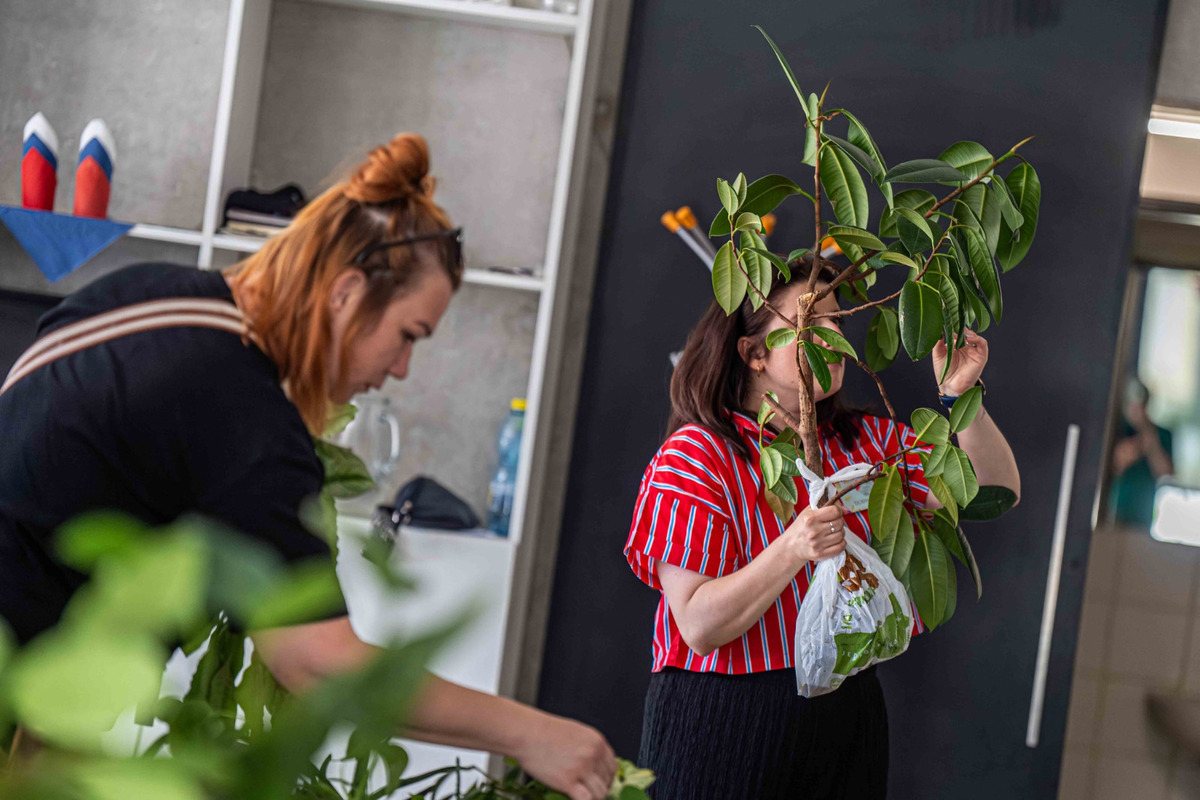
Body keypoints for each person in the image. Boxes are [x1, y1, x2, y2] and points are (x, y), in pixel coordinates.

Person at [0, 133, 617, 800]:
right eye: (407, 336)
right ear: (347, 292)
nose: (401, 369)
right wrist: (533, 734)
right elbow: (320, 661)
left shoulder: (147, 293)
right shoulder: (241, 413)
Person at [623, 258, 1021, 799]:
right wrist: (793, 548)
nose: (836, 337)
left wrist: (959, 394)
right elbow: (697, 624)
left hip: (846, 711)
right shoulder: (698, 456)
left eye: (838, 321)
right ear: (754, 353)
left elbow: (992, 490)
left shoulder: (865, 443)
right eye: (813, 321)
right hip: (724, 717)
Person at [1109, 378, 1174, 526]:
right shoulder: (1119, 429)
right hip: (1115, 510)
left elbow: (1165, 473)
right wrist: (1136, 446)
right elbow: (1115, 465)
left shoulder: (1163, 435)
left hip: (1143, 514)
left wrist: (1150, 439)